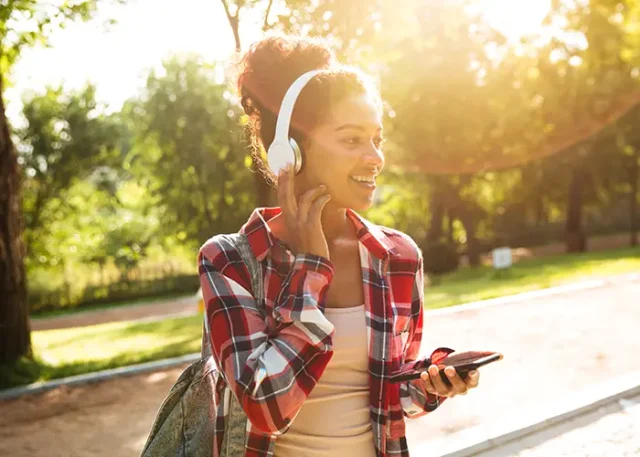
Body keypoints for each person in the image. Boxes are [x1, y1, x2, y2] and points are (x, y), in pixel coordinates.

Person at [197, 34, 480, 457]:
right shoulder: (230, 261)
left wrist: (433, 380)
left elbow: (390, 397)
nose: (375, 157)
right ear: (291, 152)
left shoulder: (398, 258)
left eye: (377, 140)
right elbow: (265, 405)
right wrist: (313, 267)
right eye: (352, 140)